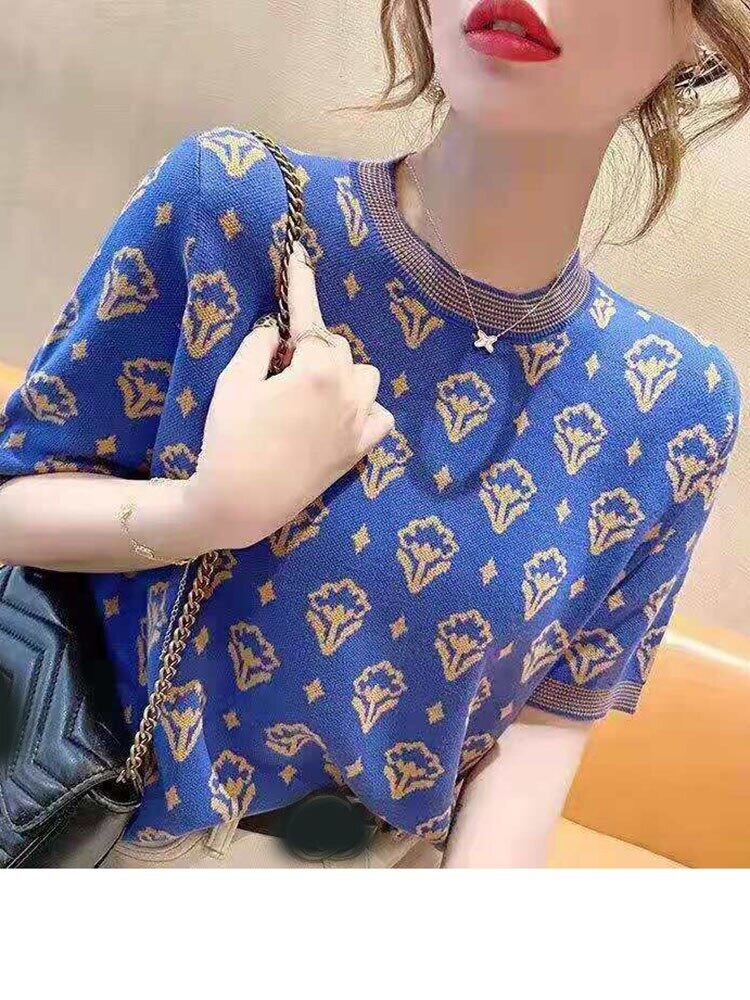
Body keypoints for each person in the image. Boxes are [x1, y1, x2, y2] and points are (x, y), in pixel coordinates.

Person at [0, 0, 745, 868]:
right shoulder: (234, 205)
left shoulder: (677, 404)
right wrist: (203, 514)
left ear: (700, 34)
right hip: (118, 842)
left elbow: (542, 733)